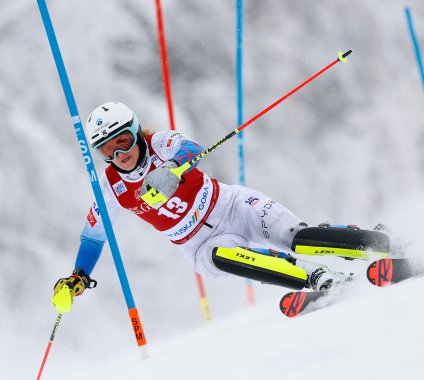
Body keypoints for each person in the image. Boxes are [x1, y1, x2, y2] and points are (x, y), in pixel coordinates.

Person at [52, 101, 389, 312]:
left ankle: (379, 244)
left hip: (230, 205)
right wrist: (78, 276)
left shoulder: (157, 142)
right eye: (107, 149)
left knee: (298, 238)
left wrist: (173, 169)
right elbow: (94, 237)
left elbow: (189, 146)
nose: (119, 154)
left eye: (123, 140)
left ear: (135, 132)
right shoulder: (110, 186)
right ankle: (318, 278)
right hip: (199, 244)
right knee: (223, 257)